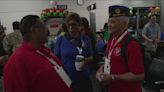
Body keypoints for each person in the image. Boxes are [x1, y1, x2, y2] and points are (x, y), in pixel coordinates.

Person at [3, 15, 72, 92]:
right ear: (34, 30)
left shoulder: (42, 51)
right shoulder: (17, 61)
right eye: (43, 27)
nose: (47, 29)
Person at [96, 5, 144, 92]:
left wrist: (113, 77)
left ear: (124, 24)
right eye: (109, 21)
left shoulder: (132, 45)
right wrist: (101, 69)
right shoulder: (112, 39)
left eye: (113, 22)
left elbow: (139, 75)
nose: (109, 25)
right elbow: (109, 59)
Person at [54, 13, 93, 92]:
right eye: (69, 25)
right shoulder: (61, 39)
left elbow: (91, 56)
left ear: (79, 25)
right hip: (68, 78)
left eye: (74, 24)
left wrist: (86, 60)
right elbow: (56, 59)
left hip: (84, 78)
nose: (71, 27)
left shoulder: (85, 39)